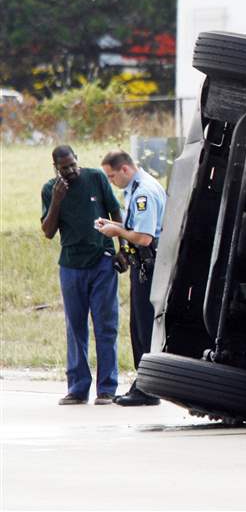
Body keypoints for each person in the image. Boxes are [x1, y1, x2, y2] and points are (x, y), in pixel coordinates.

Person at [41, 145, 123, 406]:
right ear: (56, 168)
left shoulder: (96, 178)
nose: (71, 170)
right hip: (71, 266)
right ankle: (77, 388)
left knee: (106, 326)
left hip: (102, 262)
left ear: (77, 161)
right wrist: (56, 200)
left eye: (73, 164)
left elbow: (116, 212)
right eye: (65, 168)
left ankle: (107, 388)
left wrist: (124, 249)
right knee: (75, 327)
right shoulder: (50, 190)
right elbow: (48, 231)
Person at [97, 150, 166, 406]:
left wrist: (116, 231)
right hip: (141, 264)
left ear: (125, 169)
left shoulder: (144, 192)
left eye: (112, 175)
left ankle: (148, 387)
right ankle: (144, 382)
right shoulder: (134, 189)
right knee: (138, 326)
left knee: (145, 326)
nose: (111, 181)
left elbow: (144, 237)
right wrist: (115, 226)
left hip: (148, 264)